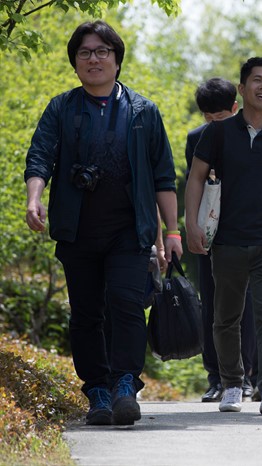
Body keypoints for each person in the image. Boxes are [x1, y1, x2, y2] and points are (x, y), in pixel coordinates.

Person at [24, 20, 181, 426]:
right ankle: (96, 390)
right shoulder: (61, 108)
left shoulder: (143, 111)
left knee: (127, 304)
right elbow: (40, 156)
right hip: (77, 229)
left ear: (117, 59)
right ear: (75, 62)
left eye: (101, 51)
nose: (93, 59)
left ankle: (125, 384)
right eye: (85, 52)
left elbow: (163, 177)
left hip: (129, 230)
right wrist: (34, 198)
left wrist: (172, 232)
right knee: (86, 313)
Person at [185, 57, 262, 415]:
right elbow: (195, 178)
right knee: (226, 317)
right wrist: (191, 225)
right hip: (227, 242)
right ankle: (232, 384)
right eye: (257, 80)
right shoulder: (217, 133)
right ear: (242, 89)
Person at [184, 78, 256, 403]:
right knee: (211, 304)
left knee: (245, 306)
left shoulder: (252, 135)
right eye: (208, 118)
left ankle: (245, 375)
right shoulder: (195, 139)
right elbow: (195, 183)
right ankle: (215, 377)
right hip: (209, 232)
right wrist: (192, 226)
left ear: (235, 108)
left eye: (221, 117)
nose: (215, 124)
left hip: (244, 231)